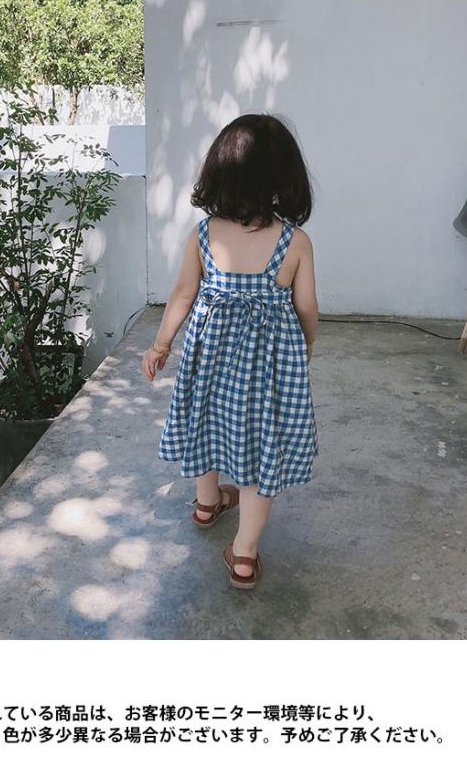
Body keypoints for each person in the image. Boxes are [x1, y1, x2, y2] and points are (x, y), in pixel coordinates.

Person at [141, 113, 319, 590]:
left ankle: (206, 505)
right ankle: (244, 555)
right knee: (261, 449)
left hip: (210, 359)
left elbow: (182, 294)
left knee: (206, 421)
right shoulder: (295, 243)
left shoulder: (204, 234)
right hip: (268, 369)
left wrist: (161, 344)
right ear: (286, 179)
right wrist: (304, 346)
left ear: (219, 172)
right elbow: (307, 308)